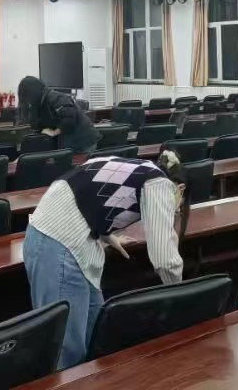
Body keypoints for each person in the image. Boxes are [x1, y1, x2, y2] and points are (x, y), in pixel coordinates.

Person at [23, 149, 188, 369]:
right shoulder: (161, 184)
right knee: (67, 351)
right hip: (57, 241)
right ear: (180, 189)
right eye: (178, 207)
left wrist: (108, 236)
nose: (176, 210)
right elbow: (164, 258)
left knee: (96, 334)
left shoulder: (141, 169)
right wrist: (181, 295)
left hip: (63, 239)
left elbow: (88, 193)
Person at [17, 76, 100, 154]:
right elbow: (38, 126)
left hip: (83, 142)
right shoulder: (39, 104)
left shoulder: (55, 97)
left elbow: (69, 119)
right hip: (70, 143)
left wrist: (54, 132)